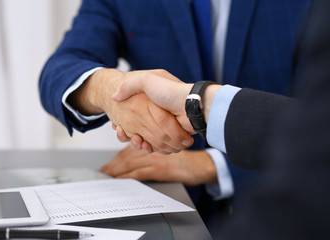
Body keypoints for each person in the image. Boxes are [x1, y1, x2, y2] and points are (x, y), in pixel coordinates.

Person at [39, 0, 311, 234]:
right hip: (165, 209)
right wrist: (110, 88)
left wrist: (213, 165)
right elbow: (59, 69)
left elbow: (320, 122)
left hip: (287, 206)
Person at [111, 1, 330, 238]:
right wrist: (105, 90)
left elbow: (318, 132)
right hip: (168, 202)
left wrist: (213, 164)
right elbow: (72, 58)